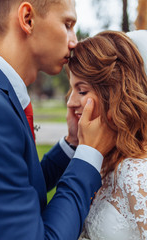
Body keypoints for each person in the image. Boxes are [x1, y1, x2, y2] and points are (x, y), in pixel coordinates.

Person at [0, 1, 115, 240]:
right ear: (28, 19)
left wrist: (72, 143)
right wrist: (89, 154)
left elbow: (18, 187)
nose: (74, 41)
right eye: (67, 24)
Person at [66, 30, 147, 240]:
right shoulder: (104, 161)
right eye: (71, 90)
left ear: (114, 94)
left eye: (81, 91)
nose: (70, 102)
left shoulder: (138, 175)